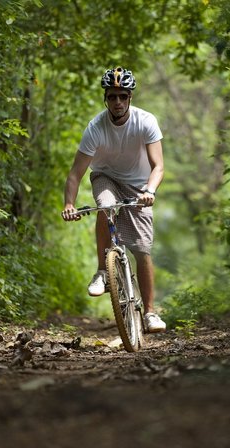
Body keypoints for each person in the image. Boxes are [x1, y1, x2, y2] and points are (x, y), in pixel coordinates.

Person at [61, 67, 166, 333]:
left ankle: (151, 313)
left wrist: (149, 192)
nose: (117, 102)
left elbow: (159, 167)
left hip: (139, 186)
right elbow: (75, 174)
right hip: (105, 177)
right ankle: (102, 271)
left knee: (142, 249)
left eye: (122, 96)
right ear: (105, 99)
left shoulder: (146, 121)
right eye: (111, 97)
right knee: (105, 206)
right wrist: (69, 204)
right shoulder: (95, 128)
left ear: (130, 97)